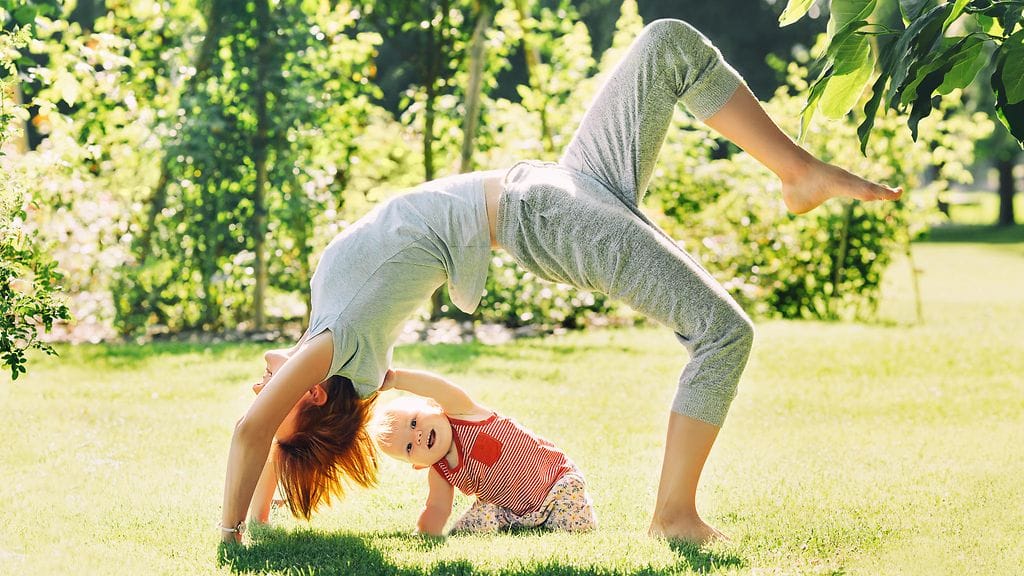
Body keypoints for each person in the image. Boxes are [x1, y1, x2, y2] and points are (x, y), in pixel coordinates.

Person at [220, 18, 902, 545]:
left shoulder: (330, 334)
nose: (259, 392)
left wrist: (261, 511)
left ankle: (796, 172)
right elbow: (257, 432)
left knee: (667, 44)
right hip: (548, 218)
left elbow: (269, 429)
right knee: (724, 333)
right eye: (282, 408)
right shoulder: (339, 346)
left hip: (557, 184)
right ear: (312, 393)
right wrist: (232, 534)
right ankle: (674, 515)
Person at [370, 368, 597, 536]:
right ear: (419, 464)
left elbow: (437, 387)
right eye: (409, 447)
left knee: (575, 524)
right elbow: (437, 507)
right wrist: (426, 532)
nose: (417, 436)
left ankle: (560, 516)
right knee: (472, 525)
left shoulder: (462, 412)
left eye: (413, 423)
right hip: (511, 510)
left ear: (434, 406)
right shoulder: (441, 472)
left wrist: (397, 379)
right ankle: (532, 522)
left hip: (555, 483)